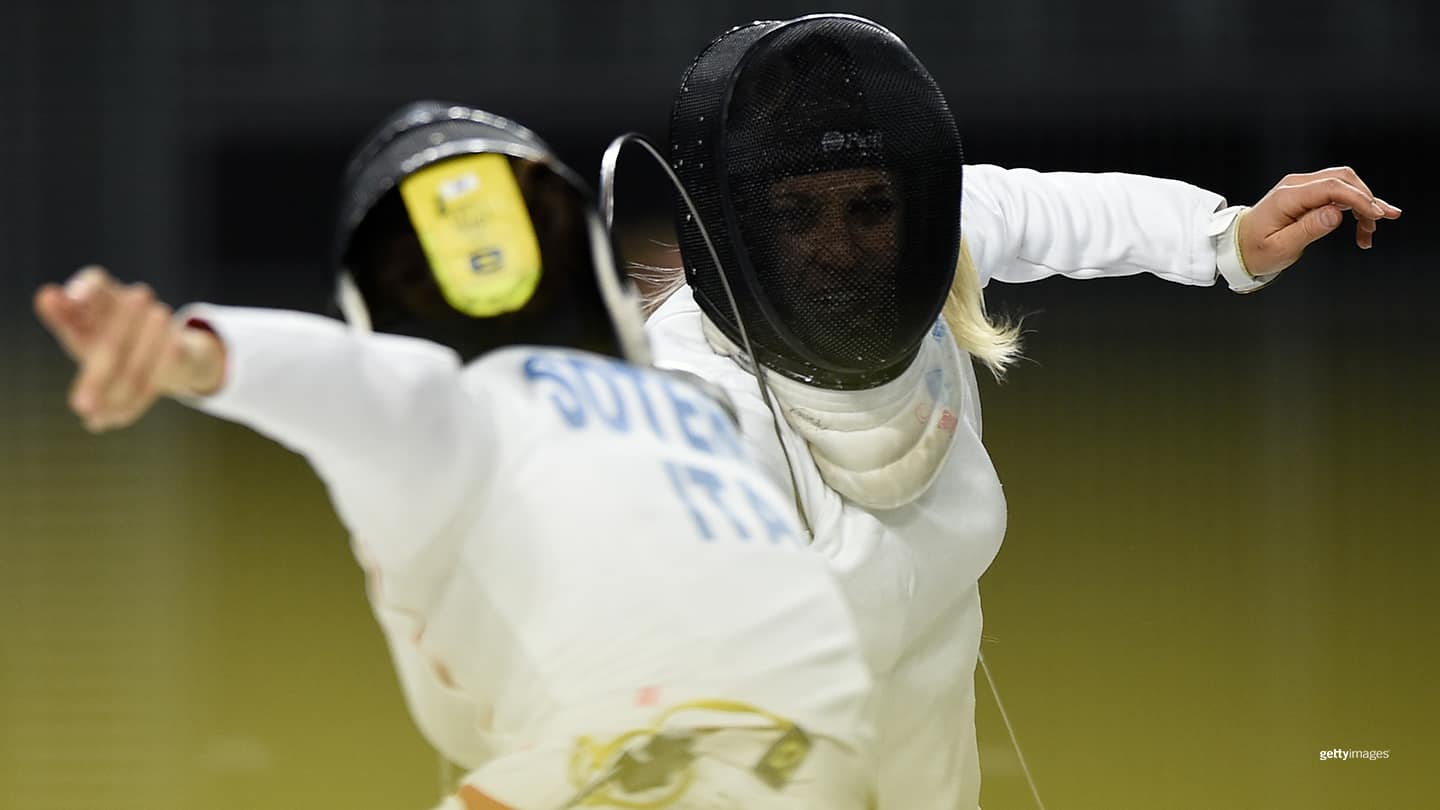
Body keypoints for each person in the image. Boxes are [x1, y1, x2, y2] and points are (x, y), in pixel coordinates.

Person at [637, 14, 1403, 810]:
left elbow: (1041, 206)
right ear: (733, 225)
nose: (840, 247)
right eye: (798, 216)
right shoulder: (687, 406)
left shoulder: (931, 249)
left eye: (869, 207)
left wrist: (1227, 237)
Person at [34, 102, 877, 809]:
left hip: (652, 766)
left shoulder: (454, 412)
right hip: (825, 761)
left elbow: (345, 376)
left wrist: (196, 355)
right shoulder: (701, 409)